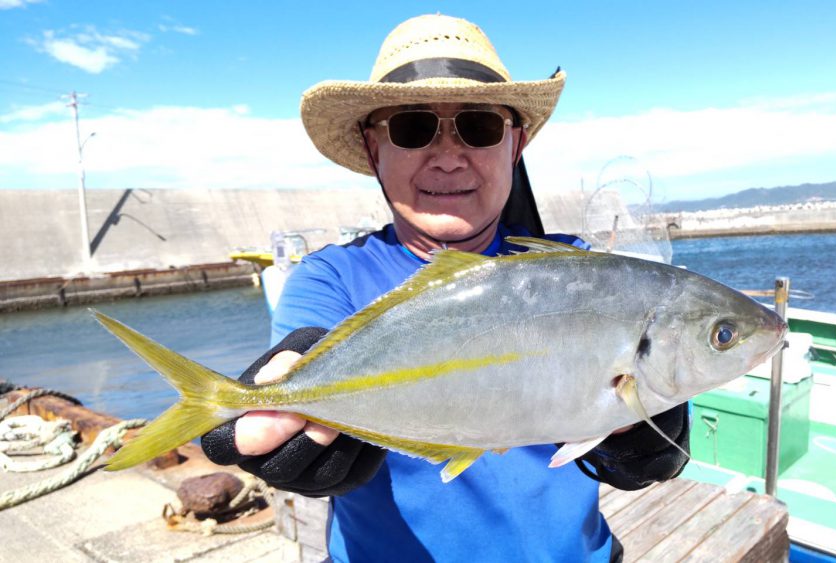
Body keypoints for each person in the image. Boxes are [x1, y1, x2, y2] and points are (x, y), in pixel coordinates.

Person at [202, 14, 690, 562]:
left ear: (516, 144)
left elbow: (622, 438)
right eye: (412, 127)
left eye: (478, 126)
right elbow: (300, 359)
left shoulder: (581, 272)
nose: (449, 156)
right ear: (372, 150)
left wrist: (646, 435)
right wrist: (302, 442)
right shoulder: (330, 279)